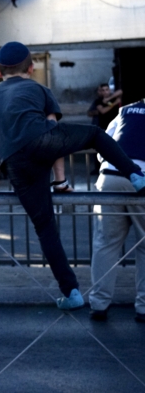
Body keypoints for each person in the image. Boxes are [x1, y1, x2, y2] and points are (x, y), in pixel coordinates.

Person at [0, 41, 145, 311]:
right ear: (31, 68)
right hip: (42, 141)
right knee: (95, 135)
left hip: (14, 162)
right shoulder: (38, 88)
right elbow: (54, 132)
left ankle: (71, 293)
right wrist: (60, 181)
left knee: (45, 228)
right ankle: (135, 176)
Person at [89, 99, 145, 322]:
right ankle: (143, 307)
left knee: (106, 242)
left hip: (110, 177)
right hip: (141, 179)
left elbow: (104, 143)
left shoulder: (126, 110)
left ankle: (98, 304)